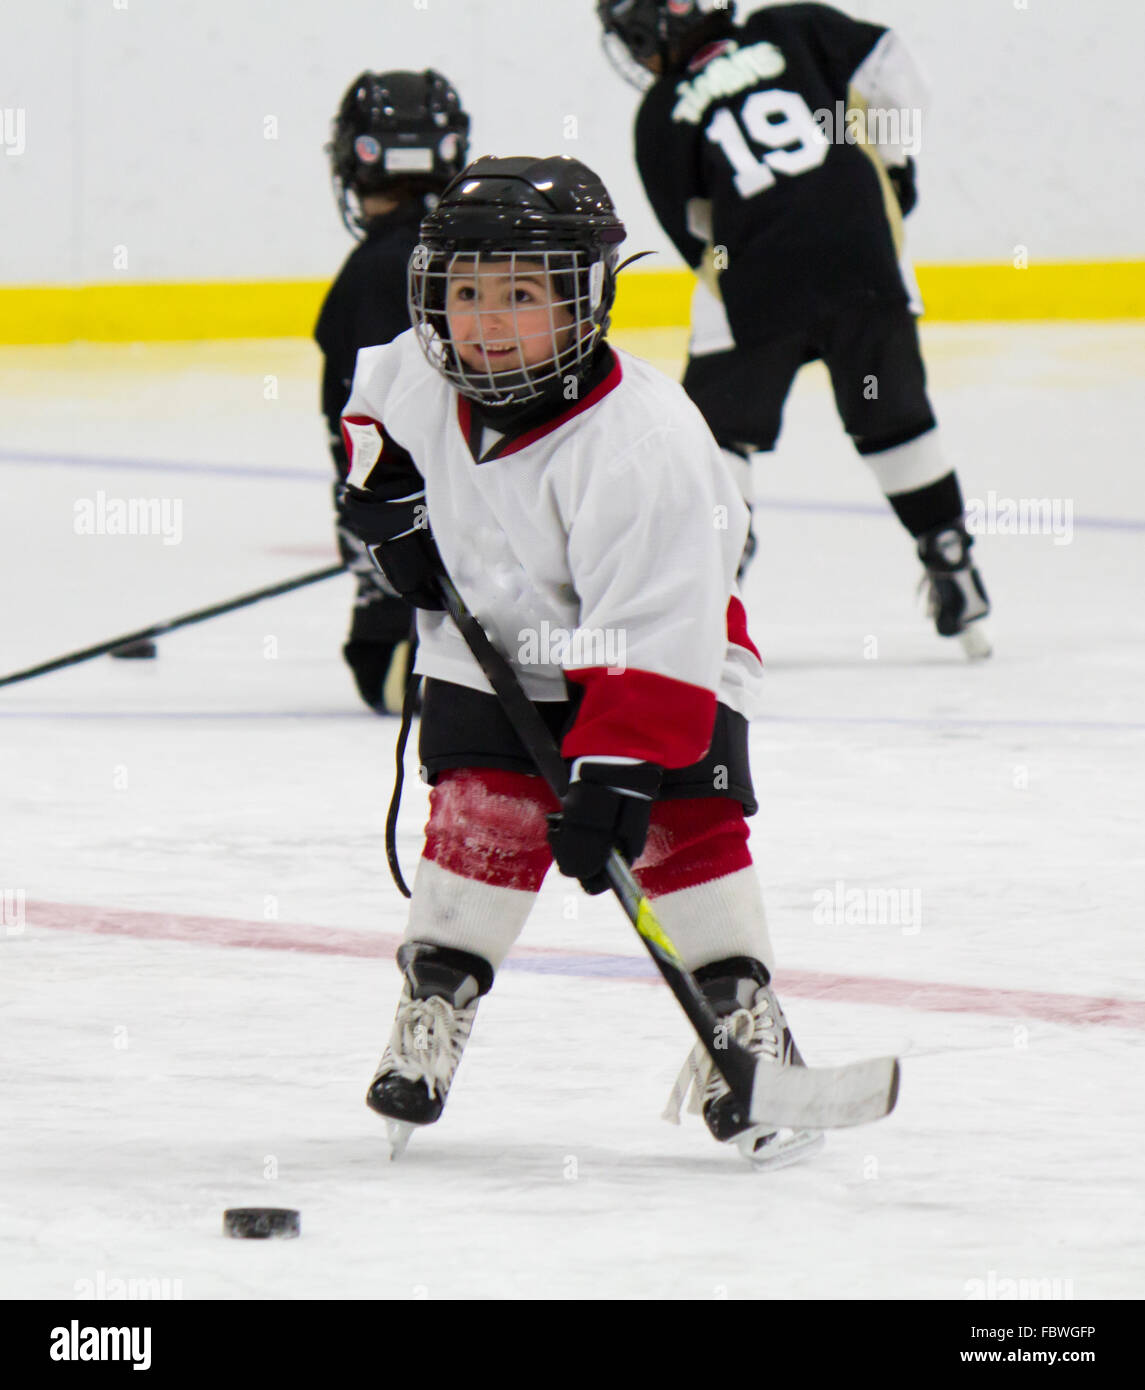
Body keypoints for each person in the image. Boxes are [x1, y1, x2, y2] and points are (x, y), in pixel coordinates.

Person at [336, 154, 824, 1167]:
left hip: (663, 659)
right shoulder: (420, 376)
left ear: (583, 300)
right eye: (464, 293)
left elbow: (657, 625)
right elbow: (371, 413)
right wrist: (387, 507)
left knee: (685, 822)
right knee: (479, 813)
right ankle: (435, 1001)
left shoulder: (643, 441)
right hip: (492, 650)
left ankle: (738, 1017)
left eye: (522, 295)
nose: (486, 320)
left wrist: (613, 771)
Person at [597, 0, 991, 657]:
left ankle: (718, 571)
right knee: (892, 418)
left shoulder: (661, 112)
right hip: (861, 256)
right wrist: (891, 166)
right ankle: (948, 550)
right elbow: (889, 63)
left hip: (758, 277)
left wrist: (751, 281)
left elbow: (696, 233)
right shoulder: (791, 27)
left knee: (715, 432)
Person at [316, 69, 470, 712]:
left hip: (443, 589)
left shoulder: (374, 270)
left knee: (382, 676)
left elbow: (363, 428)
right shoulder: (491, 254)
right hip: (528, 556)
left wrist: (377, 542)